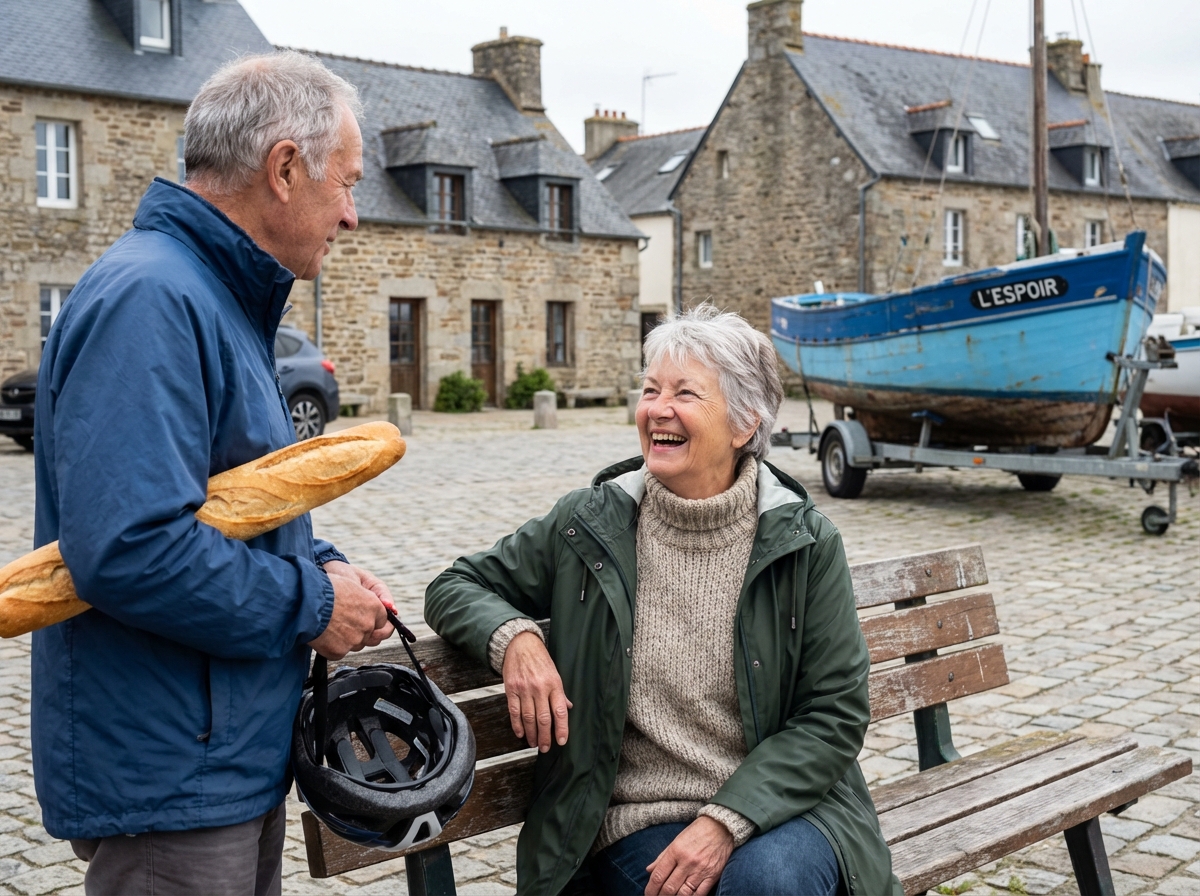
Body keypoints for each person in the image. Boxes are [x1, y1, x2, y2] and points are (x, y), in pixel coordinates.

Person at [32, 52, 395, 896]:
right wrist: (310, 606)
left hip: (215, 753)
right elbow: (130, 547)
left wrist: (319, 563)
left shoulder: (208, 296)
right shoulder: (153, 299)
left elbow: (230, 503)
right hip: (173, 773)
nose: (351, 217)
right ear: (283, 168)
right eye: (345, 184)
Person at [426, 305, 900, 896]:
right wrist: (516, 639)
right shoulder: (588, 524)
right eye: (650, 390)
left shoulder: (805, 542)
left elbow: (834, 714)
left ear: (745, 424)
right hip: (638, 822)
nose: (658, 410)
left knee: (768, 882)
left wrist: (725, 820)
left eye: (685, 393)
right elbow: (453, 586)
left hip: (785, 808)